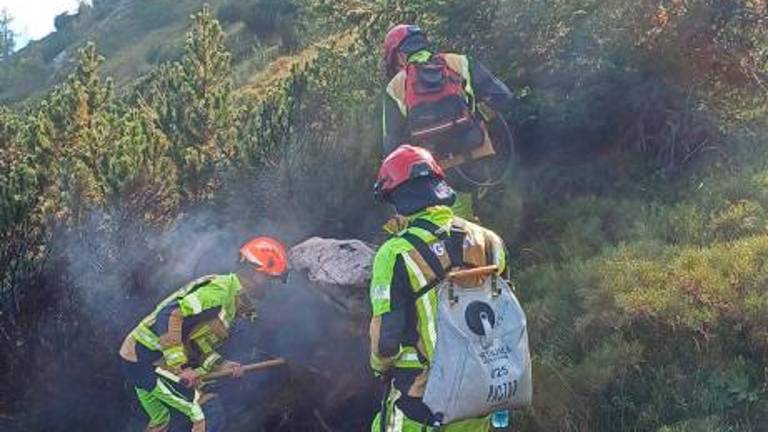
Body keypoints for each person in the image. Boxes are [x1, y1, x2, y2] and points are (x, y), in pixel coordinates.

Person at [369, 145, 508, 431]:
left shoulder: (395, 253)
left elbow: (386, 342)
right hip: (485, 391)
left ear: (397, 198)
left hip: (422, 399)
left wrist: (378, 367)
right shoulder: (490, 241)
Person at [119, 237, 288, 432]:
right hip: (144, 357)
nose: (271, 287)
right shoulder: (220, 291)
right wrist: (181, 367)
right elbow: (170, 314)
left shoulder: (231, 302)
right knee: (207, 413)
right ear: (253, 272)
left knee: (163, 420)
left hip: (151, 358)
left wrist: (221, 364)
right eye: (270, 279)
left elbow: (194, 344)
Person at [381, 24, 514, 219]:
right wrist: (479, 116)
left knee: (442, 227)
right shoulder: (459, 63)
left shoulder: (395, 86)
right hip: (476, 163)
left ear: (400, 56)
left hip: (431, 174)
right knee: (474, 228)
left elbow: (392, 147)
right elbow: (502, 97)